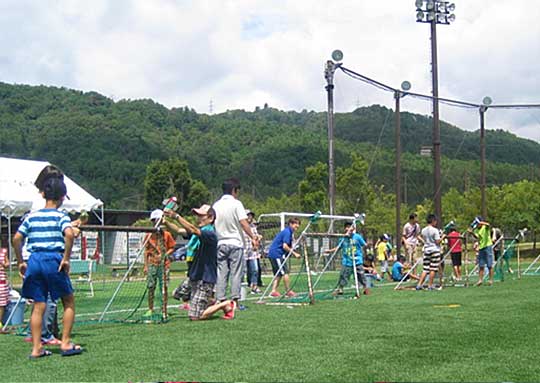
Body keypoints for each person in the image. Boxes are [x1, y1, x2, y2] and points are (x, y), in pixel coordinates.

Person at [12, 177, 83, 358]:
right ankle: (66, 343)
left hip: (34, 260)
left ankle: (37, 348)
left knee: (38, 305)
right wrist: (66, 258)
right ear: (62, 197)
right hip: (53, 260)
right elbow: (69, 233)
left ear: (43, 194)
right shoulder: (61, 216)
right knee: (68, 301)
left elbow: (16, 238)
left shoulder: (32, 216)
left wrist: (21, 261)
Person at [164, 205, 236, 320]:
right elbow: (178, 230)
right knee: (177, 294)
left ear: (211, 218)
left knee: (195, 316)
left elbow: (192, 229)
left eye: (201, 215)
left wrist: (176, 216)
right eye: (197, 215)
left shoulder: (210, 234)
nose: (198, 218)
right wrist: (165, 222)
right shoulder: (198, 233)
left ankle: (225, 304)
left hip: (204, 278)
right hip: (194, 276)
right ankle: (207, 301)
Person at [212, 178, 259, 305]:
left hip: (220, 242)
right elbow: (243, 223)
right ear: (234, 190)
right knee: (236, 273)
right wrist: (253, 237)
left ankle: (220, 299)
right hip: (235, 243)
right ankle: (235, 301)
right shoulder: (236, 204)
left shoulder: (216, 205)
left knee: (221, 273)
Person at [143, 209, 176, 317]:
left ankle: (164, 309)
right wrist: (146, 266)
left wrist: (165, 254)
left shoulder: (166, 234)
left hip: (164, 265)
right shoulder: (148, 235)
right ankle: (150, 308)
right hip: (152, 264)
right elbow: (146, 252)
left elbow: (172, 247)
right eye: (154, 220)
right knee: (151, 287)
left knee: (164, 288)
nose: (156, 222)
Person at [325, 222, 370, 296]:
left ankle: (366, 288)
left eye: (351, 227)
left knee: (361, 275)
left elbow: (364, 244)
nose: (349, 229)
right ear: (345, 228)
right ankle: (340, 289)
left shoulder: (357, 237)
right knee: (343, 275)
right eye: (348, 227)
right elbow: (339, 247)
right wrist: (330, 251)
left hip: (357, 260)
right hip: (347, 260)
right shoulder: (342, 238)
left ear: (354, 229)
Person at [267, 218, 301, 297]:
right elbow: (285, 246)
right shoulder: (287, 232)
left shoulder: (289, 233)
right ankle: (288, 291)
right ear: (290, 224)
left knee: (278, 274)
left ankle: (273, 291)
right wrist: (295, 254)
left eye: (298, 224)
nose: (298, 226)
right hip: (277, 254)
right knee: (285, 272)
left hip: (273, 254)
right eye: (296, 223)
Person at [416, 214, 444, 291]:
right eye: (435, 221)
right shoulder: (435, 230)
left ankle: (419, 284)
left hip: (426, 250)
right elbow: (437, 241)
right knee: (433, 269)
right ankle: (430, 285)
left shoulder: (423, 230)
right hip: (434, 250)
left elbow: (420, 237)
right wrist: (443, 237)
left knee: (425, 269)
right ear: (433, 221)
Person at [468, 216, 494, 286]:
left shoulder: (485, 227)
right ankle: (480, 280)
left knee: (489, 265)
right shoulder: (477, 229)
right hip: (481, 247)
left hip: (488, 246)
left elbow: (488, 225)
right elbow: (477, 237)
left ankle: (491, 280)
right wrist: (472, 233)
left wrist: (481, 222)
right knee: (481, 265)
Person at [244, 210, 262, 294]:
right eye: (248, 215)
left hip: (252, 251)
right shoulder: (240, 226)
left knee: (255, 269)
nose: (249, 217)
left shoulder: (253, 226)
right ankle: (240, 288)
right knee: (241, 271)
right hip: (243, 251)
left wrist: (257, 239)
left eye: (251, 216)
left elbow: (256, 237)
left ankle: (254, 286)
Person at [0, 248, 9, 328]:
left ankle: (0, 322)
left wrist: (4, 264)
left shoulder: (3, 252)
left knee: (2, 303)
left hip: (2, 282)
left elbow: (7, 264)